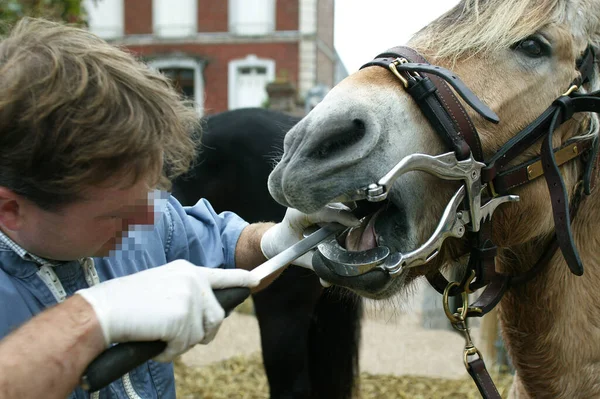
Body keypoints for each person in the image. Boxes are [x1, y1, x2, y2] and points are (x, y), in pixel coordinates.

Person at [0, 17, 358, 399]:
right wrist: (90, 319)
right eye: (116, 215)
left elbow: (222, 244)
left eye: (148, 195)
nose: (146, 219)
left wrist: (274, 240)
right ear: (11, 210)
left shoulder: (148, 215)